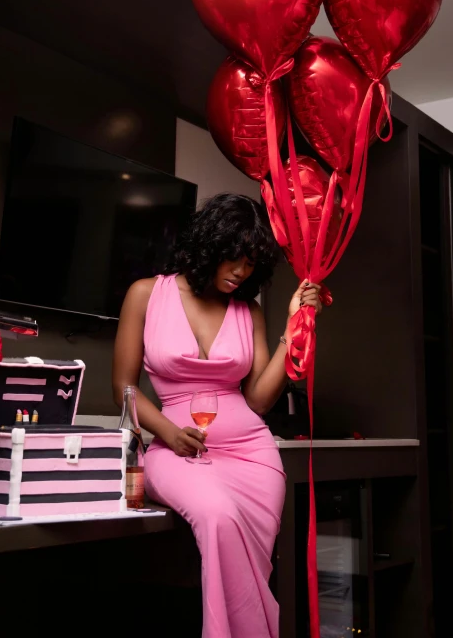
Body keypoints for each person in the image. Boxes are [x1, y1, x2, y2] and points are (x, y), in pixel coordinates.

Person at [112, 193, 322, 638]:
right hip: (172, 447)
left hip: (252, 455)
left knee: (243, 547)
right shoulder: (146, 294)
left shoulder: (250, 311)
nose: (241, 272)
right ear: (209, 245)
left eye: (251, 264)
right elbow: (124, 389)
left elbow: (260, 400)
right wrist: (168, 432)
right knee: (217, 514)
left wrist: (294, 329)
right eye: (233, 259)